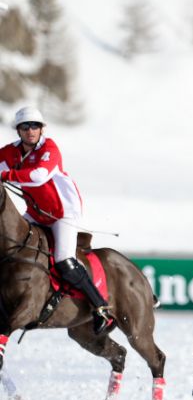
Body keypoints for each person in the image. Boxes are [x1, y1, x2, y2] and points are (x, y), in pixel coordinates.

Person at [0, 107, 113, 334]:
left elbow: (38, 175)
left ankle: (100, 307)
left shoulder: (49, 149)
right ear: (18, 131)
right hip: (36, 211)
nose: (30, 130)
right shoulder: (11, 152)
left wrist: (5, 175)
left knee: (64, 259)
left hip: (63, 213)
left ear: (42, 129)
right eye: (25, 126)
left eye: (35, 126)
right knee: (11, 247)